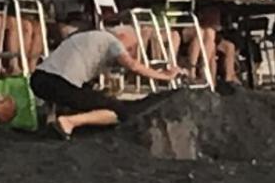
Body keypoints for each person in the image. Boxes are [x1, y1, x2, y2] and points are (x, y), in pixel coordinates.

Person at [30, 27, 180, 139]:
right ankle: (69, 122)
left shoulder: (85, 37)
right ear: (122, 36)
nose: (129, 52)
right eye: (130, 48)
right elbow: (132, 65)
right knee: (119, 111)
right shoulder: (112, 41)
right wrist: (164, 76)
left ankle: (52, 119)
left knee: (86, 94)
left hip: (38, 79)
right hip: (61, 83)